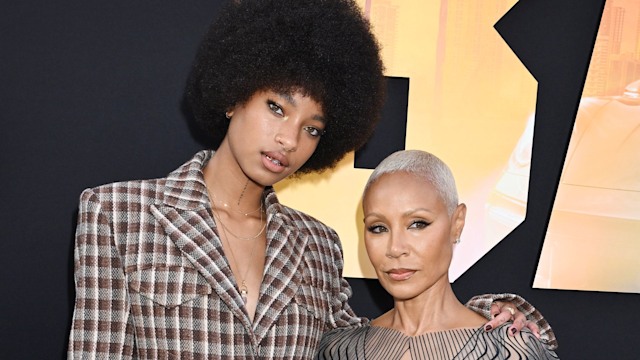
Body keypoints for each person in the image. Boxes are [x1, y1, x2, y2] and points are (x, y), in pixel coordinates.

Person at [67, 1, 554, 359]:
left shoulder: (317, 245)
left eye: (312, 128)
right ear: (234, 94)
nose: (288, 139)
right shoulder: (119, 214)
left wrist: (498, 314)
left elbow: (375, 341)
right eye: (276, 107)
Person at [315, 150, 559, 359]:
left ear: (457, 223)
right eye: (378, 228)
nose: (395, 248)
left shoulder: (510, 348)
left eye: (418, 224)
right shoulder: (340, 350)